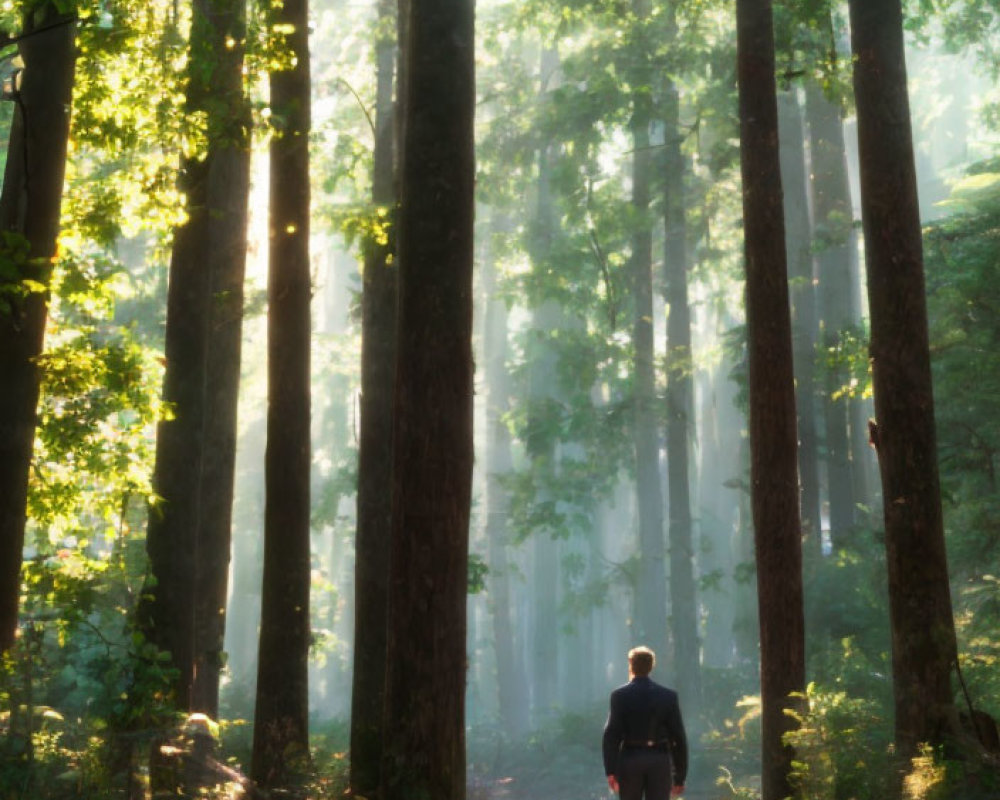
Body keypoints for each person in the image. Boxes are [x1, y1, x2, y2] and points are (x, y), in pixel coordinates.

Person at [602, 646, 687, 799]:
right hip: (659, 759)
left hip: (630, 759)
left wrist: (611, 770)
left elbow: (611, 735)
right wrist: (680, 776)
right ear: (651, 666)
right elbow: (678, 738)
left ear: (631, 665)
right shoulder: (668, 696)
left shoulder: (619, 696)